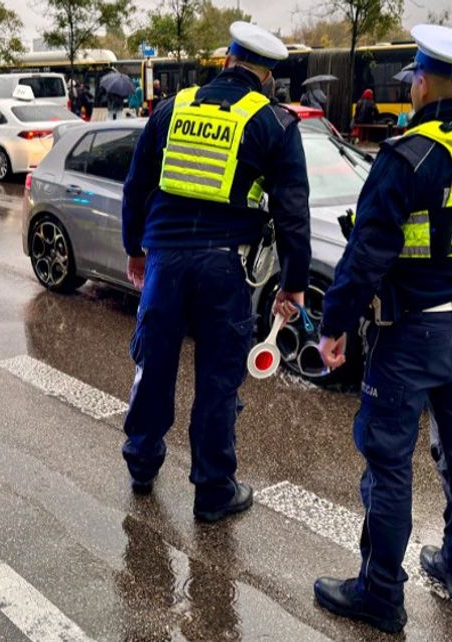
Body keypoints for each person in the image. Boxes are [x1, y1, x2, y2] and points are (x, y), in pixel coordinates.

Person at [312, 25, 452, 634]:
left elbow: (368, 255)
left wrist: (335, 326)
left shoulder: (408, 156)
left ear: (423, 83)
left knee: (389, 465)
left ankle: (380, 594)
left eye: (413, 82)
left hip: (406, 338)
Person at [121, 22, 312, 523]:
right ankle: (212, 490)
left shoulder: (171, 109)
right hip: (226, 266)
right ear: (266, 75)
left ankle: (141, 463)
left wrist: (134, 249)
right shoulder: (274, 123)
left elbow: (136, 185)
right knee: (218, 379)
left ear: (225, 60)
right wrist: (292, 285)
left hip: (164, 257)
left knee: (155, 359)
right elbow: (293, 212)